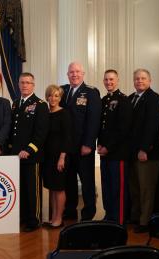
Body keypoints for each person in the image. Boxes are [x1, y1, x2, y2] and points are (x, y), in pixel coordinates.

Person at [61, 62, 101, 221]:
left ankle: (88, 212)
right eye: (71, 72)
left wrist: (89, 143)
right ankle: (70, 210)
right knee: (69, 180)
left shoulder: (91, 92)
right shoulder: (62, 91)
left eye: (77, 72)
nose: (74, 74)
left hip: (82, 146)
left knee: (87, 181)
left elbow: (94, 120)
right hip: (67, 147)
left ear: (83, 73)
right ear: (67, 74)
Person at [9, 72, 49, 232]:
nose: (25, 85)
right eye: (22, 82)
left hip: (31, 156)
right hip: (15, 156)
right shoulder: (15, 103)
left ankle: (34, 220)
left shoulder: (40, 104)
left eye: (28, 83)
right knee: (20, 188)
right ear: (18, 85)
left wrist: (29, 150)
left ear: (33, 85)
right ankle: (23, 217)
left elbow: (41, 132)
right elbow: (13, 130)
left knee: (32, 190)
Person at [128, 68, 159, 233]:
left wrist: (144, 149)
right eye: (137, 79)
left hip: (147, 154)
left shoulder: (154, 99)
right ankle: (135, 216)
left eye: (143, 78)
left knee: (146, 189)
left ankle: (145, 222)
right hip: (132, 152)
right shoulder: (131, 98)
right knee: (134, 187)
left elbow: (152, 126)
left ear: (150, 81)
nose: (139, 81)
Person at [97, 70, 133, 224]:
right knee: (106, 186)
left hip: (117, 153)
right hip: (104, 152)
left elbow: (123, 129)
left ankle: (119, 219)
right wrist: (99, 144)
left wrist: (108, 147)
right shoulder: (104, 100)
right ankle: (109, 215)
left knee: (118, 188)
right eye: (106, 79)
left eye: (111, 79)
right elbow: (101, 126)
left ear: (117, 80)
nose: (108, 82)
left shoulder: (123, 100)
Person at [42, 84, 72, 228]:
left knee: (59, 188)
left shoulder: (64, 114)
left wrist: (62, 157)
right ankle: (53, 217)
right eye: (50, 95)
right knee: (52, 188)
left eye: (56, 96)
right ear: (47, 96)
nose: (53, 98)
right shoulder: (46, 113)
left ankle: (59, 219)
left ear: (60, 98)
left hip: (60, 157)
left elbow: (67, 138)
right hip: (47, 157)